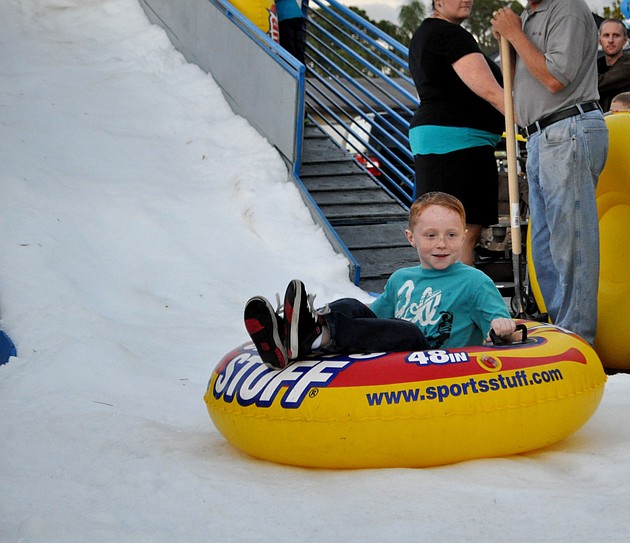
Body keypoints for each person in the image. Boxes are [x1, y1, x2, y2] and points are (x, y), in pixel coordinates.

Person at [243, 192, 517, 368]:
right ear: (411, 238)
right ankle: (295, 332)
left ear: (464, 235)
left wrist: (501, 327)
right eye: (430, 235)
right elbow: (371, 320)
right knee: (352, 303)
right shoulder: (401, 278)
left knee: (408, 331)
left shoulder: (474, 281)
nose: (441, 244)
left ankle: (315, 334)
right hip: (394, 362)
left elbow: (501, 328)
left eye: (452, 235)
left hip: (434, 364)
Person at [491, 0, 609, 344]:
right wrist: (510, 38)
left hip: (567, 126)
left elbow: (555, 78)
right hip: (543, 134)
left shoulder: (567, 7)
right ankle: (564, 331)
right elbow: (515, 82)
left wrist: (513, 33)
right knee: (544, 245)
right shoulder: (529, 15)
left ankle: (577, 340)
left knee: (570, 243)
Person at [407, 0, 506, 266]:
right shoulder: (450, 34)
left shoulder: (426, 34)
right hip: (459, 142)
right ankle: (459, 305)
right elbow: (490, 91)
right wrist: (529, 121)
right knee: (460, 232)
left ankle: (443, 301)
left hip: (443, 138)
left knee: (445, 232)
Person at [596, 18, 630, 112]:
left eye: (616, 35)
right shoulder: (597, 65)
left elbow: (596, 84)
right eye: (606, 35)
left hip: (624, 123)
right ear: (599, 40)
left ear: (625, 40)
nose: (610, 40)